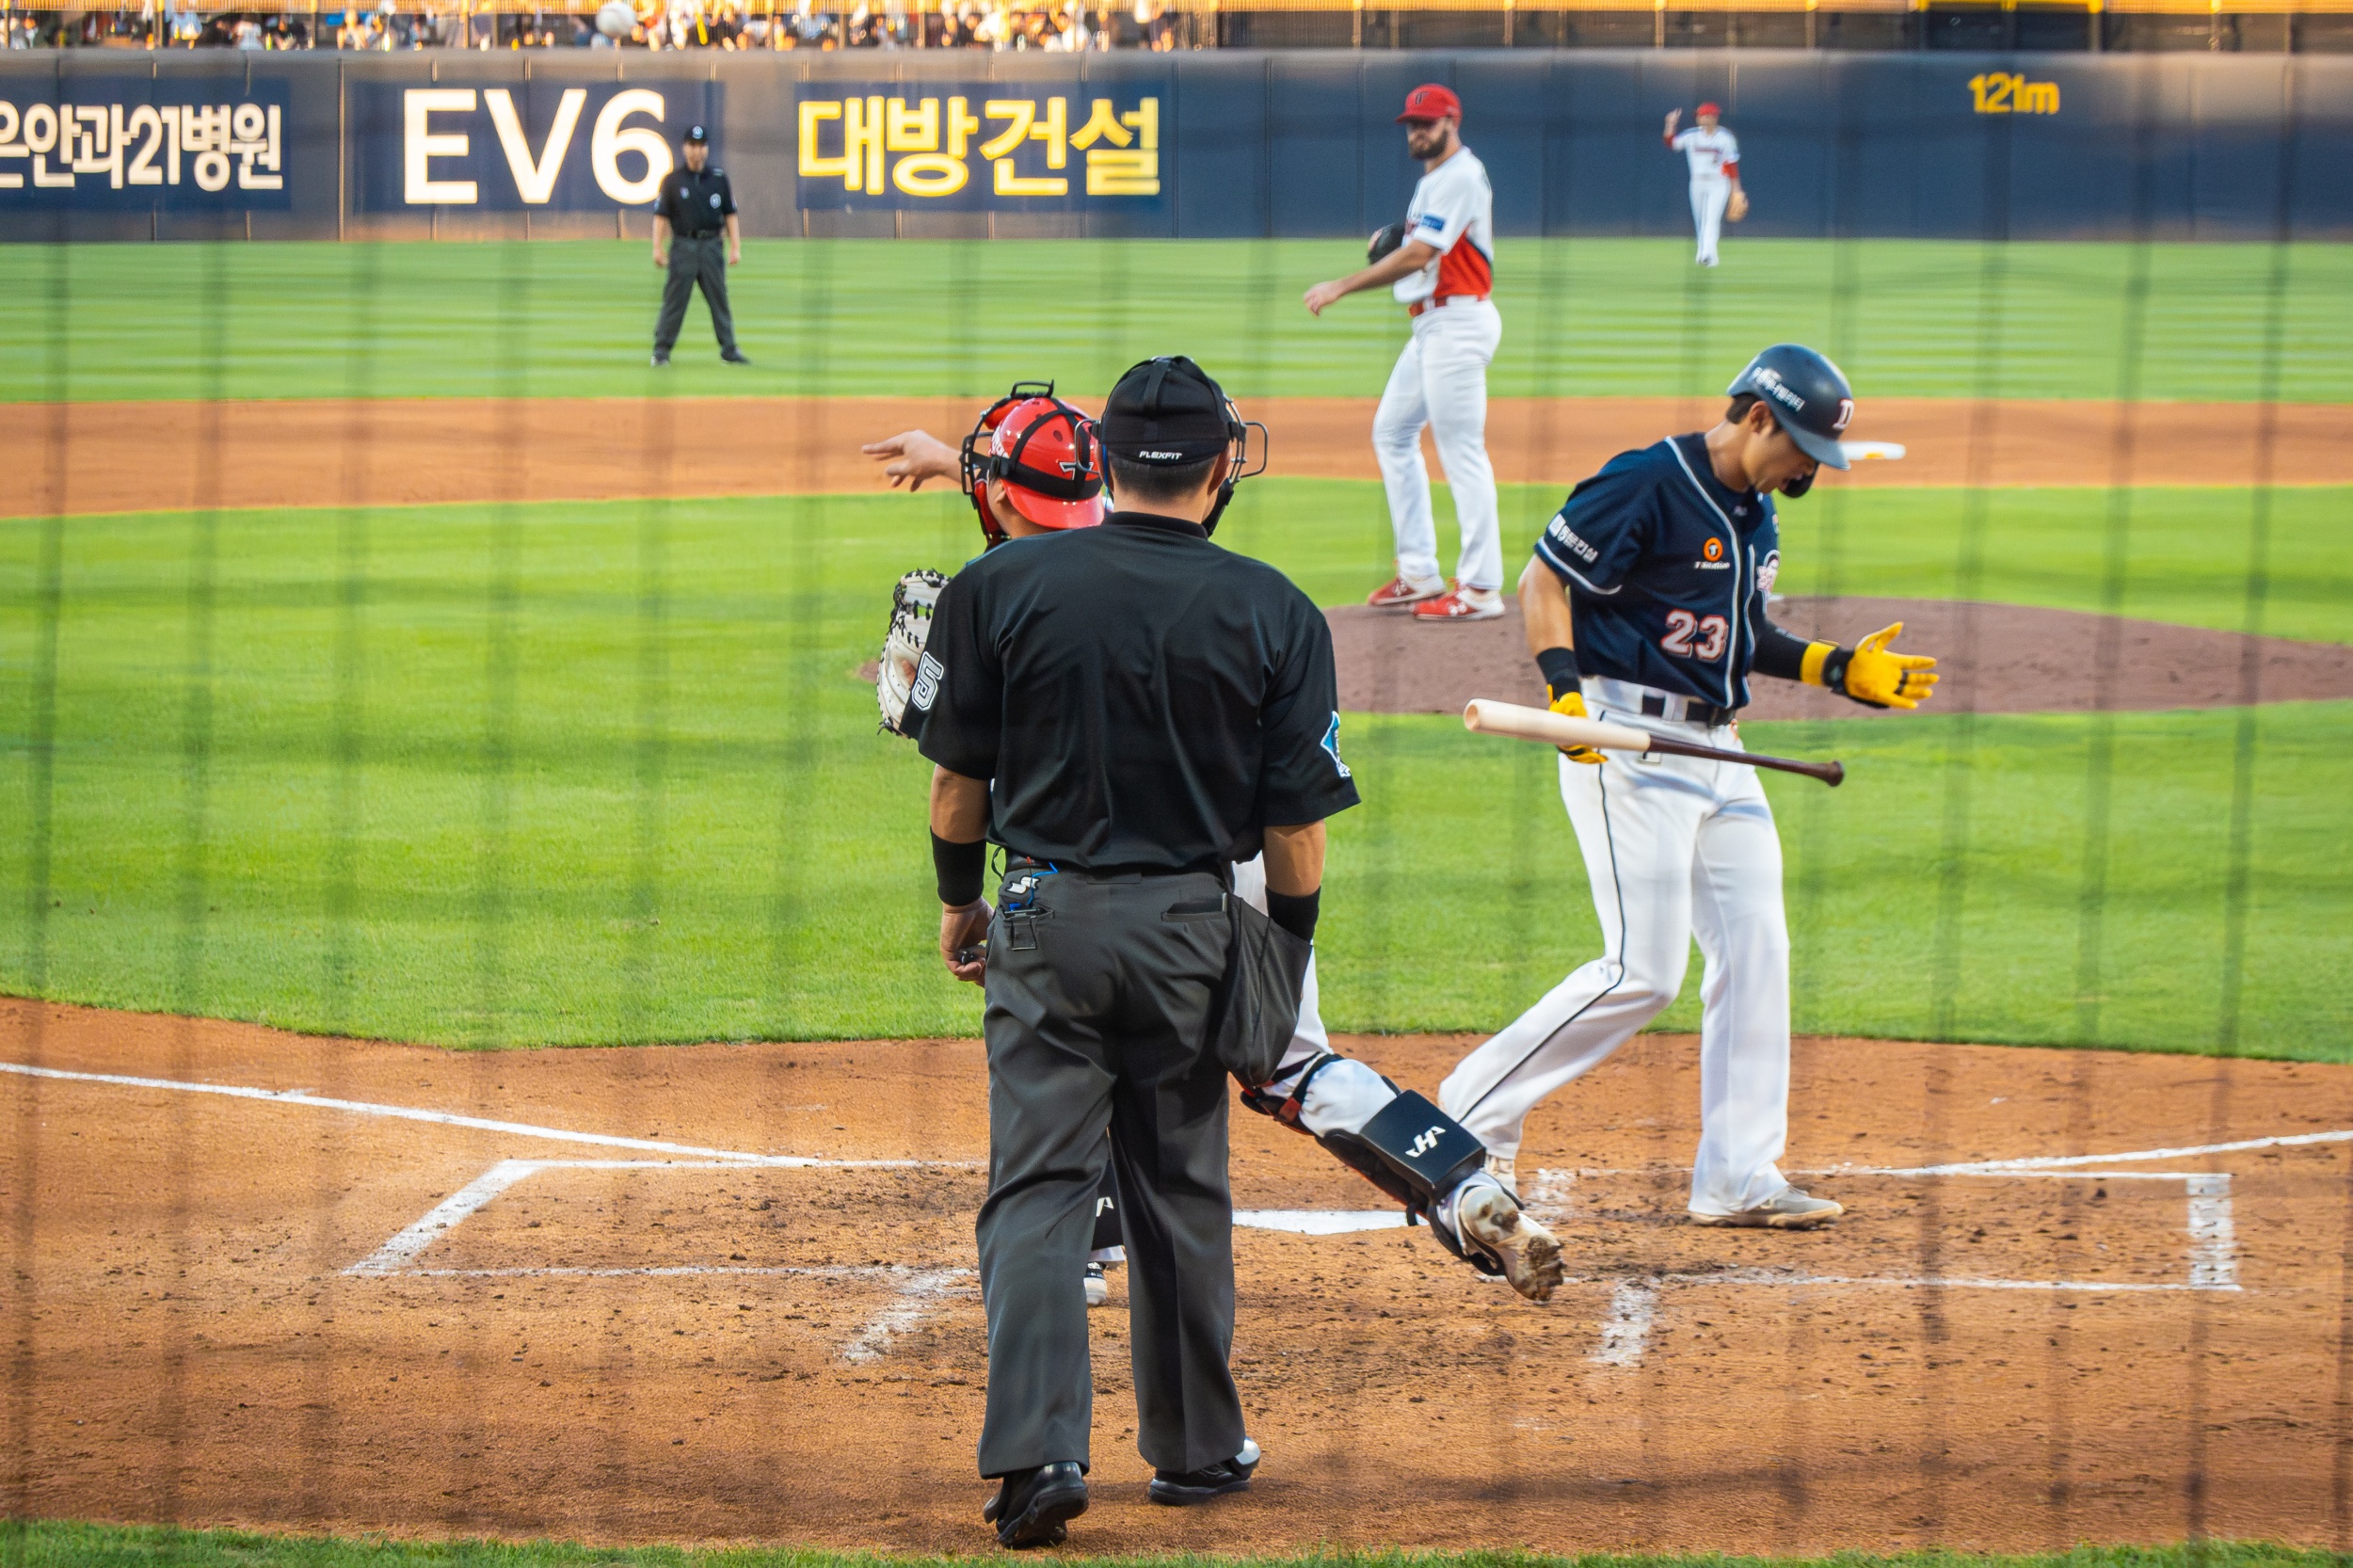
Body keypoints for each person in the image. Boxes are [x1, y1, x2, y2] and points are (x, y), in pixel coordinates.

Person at [868, 400, 1563, 1312]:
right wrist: (1289, 942)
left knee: (1073, 1040)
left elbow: (965, 776)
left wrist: (959, 890)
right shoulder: (1168, 552)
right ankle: (1457, 1184)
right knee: (1291, 1064)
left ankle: (1076, 1243)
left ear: (995, 494)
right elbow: (1070, 484)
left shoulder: (998, 595)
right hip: (1233, 865)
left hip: (1090, 883)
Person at [1439, 345, 1939, 1229]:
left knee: (1758, 949)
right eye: (1801, 451)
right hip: (1624, 739)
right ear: (1758, 417)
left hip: (1720, 748)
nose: (1805, 473)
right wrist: (1564, 693)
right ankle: (1471, 1108)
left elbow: (1744, 634)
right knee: (1644, 969)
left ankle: (1739, 1175)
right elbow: (1543, 579)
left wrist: (1837, 668)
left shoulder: (1756, 512)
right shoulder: (1646, 481)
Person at [1304, 83, 1503, 626]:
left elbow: (1419, 255)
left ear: (1452, 122)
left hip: (1457, 323)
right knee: (1392, 433)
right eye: (1412, 124)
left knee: (1462, 451)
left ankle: (1481, 588)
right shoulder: (1433, 181)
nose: (1417, 132)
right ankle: (1419, 572)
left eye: (1428, 123)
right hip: (1433, 324)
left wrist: (1341, 286)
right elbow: (1420, 245)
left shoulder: (1460, 174)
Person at [649, 124, 746, 367]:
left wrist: (735, 246)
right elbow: (661, 217)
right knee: (675, 300)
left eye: (701, 146)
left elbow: (730, 214)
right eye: (692, 145)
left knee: (719, 299)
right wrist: (657, 248)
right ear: (684, 148)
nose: (697, 151)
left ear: (707, 149)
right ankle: (661, 352)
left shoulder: (718, 179)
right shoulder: (673, 181)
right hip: (684, 245)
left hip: (711, 244)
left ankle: (729, 350)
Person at [1664, 102, 1744, 268]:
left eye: (1703, 115)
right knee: (1700, 220)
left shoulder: (1725, 137)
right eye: (1699, 115)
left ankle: (1708, 254)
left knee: (1711, 220)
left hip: (1718, 183)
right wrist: (1670, 124)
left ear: (1713, 117)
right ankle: (1703, 254)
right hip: (1697, 182)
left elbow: (1732, 164)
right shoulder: (1691, 135)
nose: (1700, 118)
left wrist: (1736, 189)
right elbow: (1671, 143)